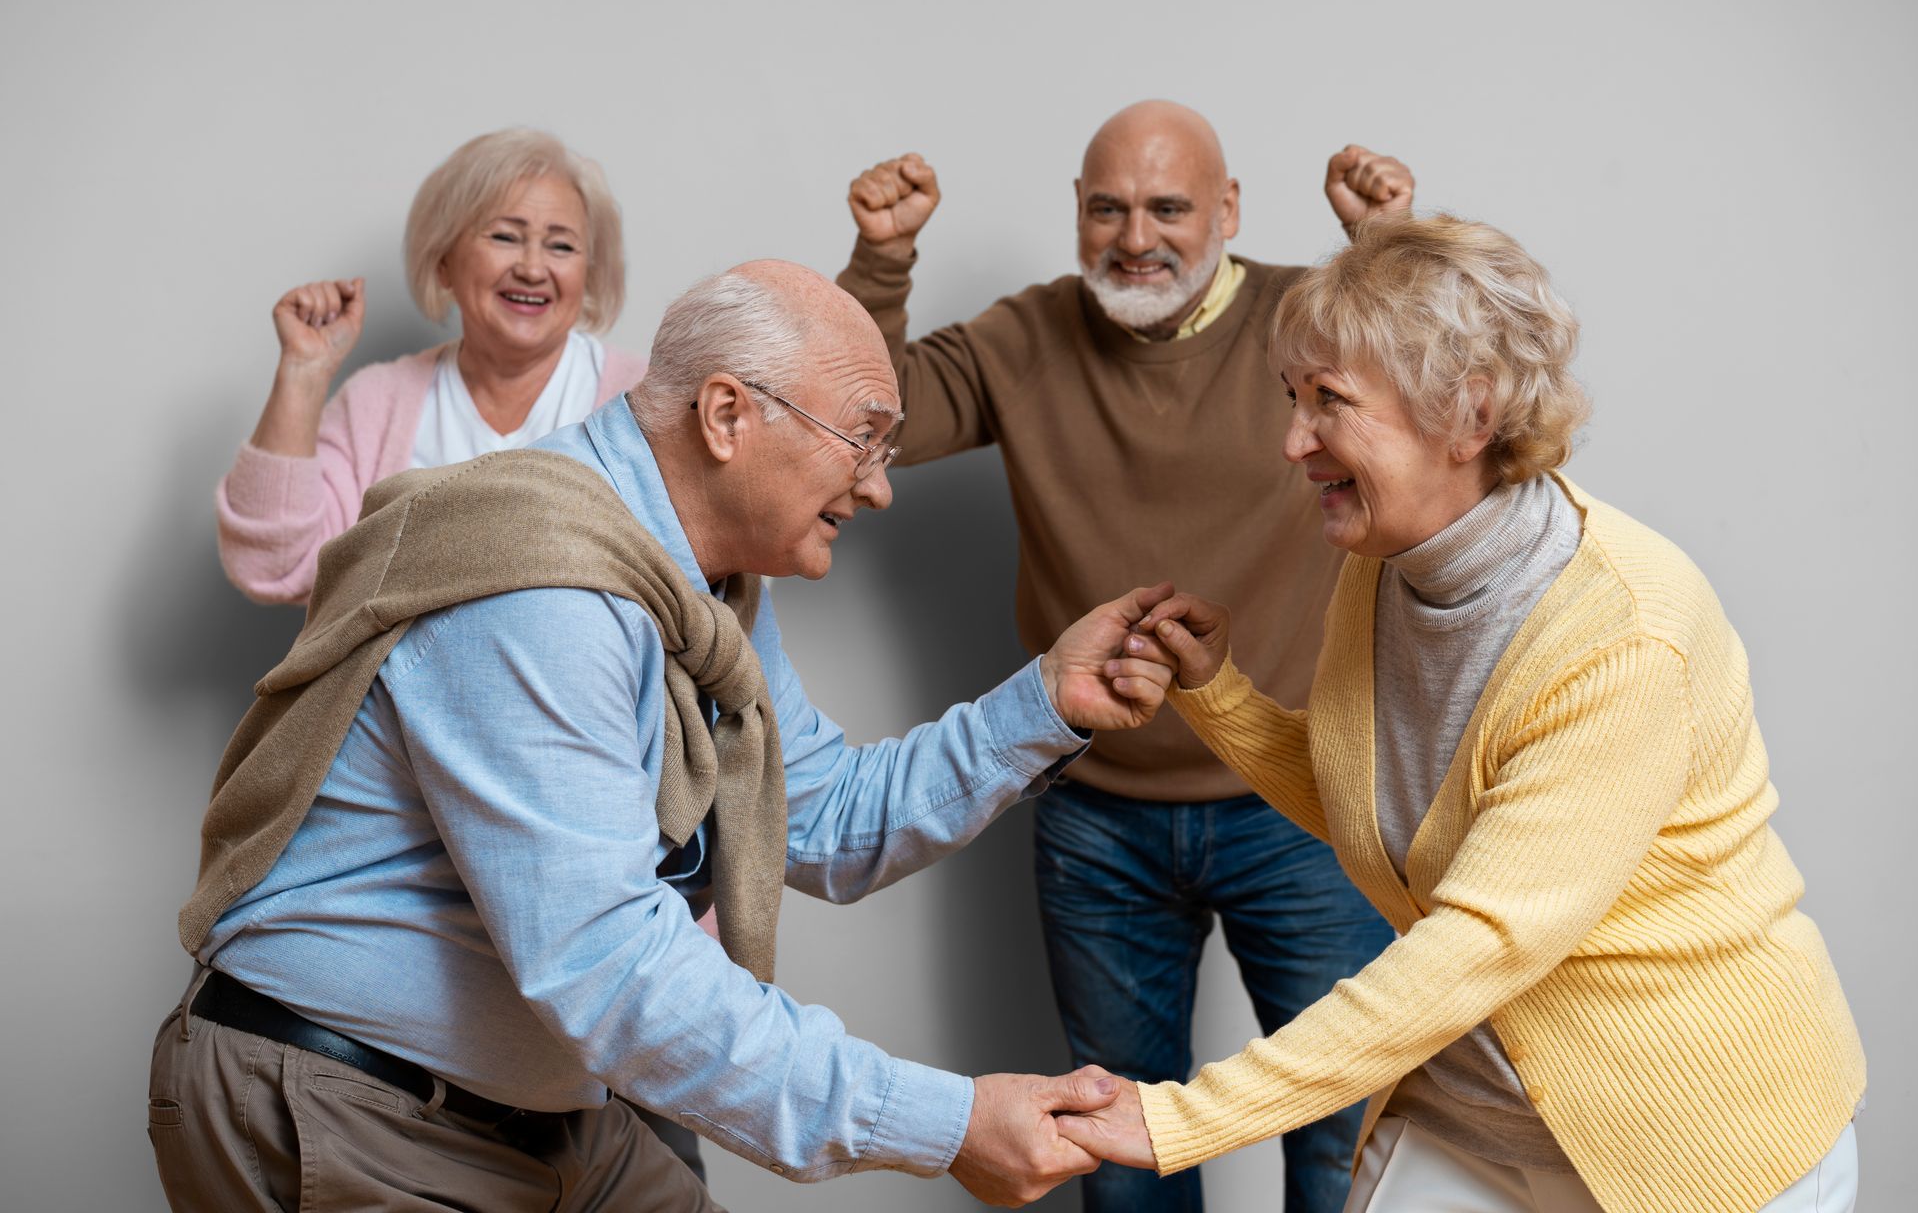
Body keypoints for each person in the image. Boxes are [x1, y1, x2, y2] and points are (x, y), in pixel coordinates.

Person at [151, 259, 1182, 1211]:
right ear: (728, 414)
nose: (878, 485)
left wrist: (1048, 700)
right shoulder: (541, 586)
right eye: (862, 438)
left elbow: (818, 816)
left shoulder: (707, 589)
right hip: (355, 1101)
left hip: (539, 1104)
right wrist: (944, 1122)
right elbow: (609, 963)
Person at [1054, 215, 1867, 1213]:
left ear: (1468, 416)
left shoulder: (1622, 634)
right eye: (1291, 396)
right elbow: (1380, 805)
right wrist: (1218, 693)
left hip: (1698, 1134)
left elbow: (1479, 936)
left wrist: (1182, 1117)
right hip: (1479, 1114)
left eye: (1329, 402)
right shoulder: (1385, 568)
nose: (1293, 439)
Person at [836, 100, 1411, 1211]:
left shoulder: (1309, 320)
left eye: (1167, 206)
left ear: (1229, 211)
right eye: (1108, 207)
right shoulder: (1027, 337)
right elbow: (864, 415)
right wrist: (883, 258)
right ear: (1078, 214)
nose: (1134, 236)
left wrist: (1384, 250)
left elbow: (1427, 395)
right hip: (1096, 812)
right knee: (1120, 1146)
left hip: (1297, 800)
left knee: (1350, 1127)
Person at [216, 127, 648, 605]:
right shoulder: (376, 403)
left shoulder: (644, 399)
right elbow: (273, 566)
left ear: (589, 271)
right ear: (444, 262)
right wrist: (303, 371)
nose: (531, 267)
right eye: (505, 236)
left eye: (561, 246)